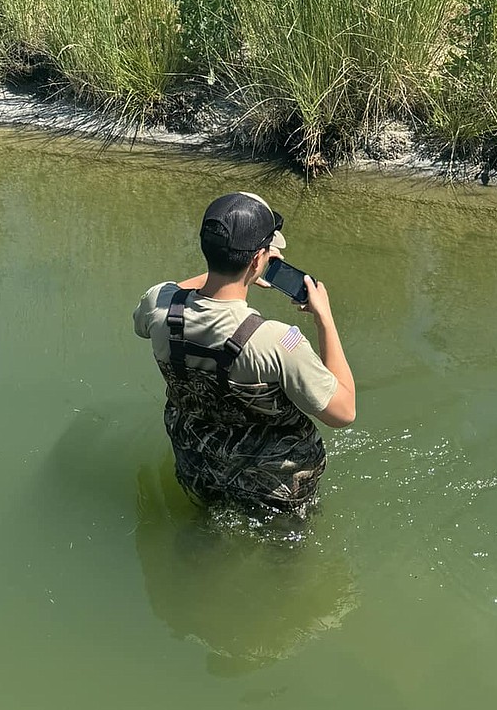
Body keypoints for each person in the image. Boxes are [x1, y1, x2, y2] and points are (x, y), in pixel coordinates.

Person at [132, 192, 356, 513]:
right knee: (285, 551)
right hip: (274, 486)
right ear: (257, 260)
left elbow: (166, 296)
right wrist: (325, 318)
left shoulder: (159, 307)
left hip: (199, 467)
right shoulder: (280, 340)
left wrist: (232, 272)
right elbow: (343, 412)